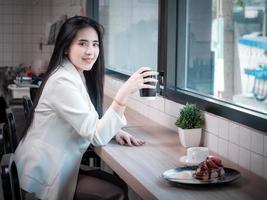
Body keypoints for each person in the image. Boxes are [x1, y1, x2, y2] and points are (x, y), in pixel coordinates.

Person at [14, 16, 158, 200]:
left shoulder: (74, 74)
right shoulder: (62, 81)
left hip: (55, 163)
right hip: (45, 171)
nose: (90, 51)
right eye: (82, 44)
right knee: (116, 192)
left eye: (95, 44)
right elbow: (97, 136)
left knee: (119, 185)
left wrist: (114, 130)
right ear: (66, 47)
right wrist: (124, 92)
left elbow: (90, 120)